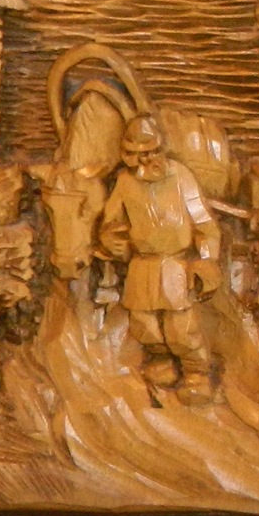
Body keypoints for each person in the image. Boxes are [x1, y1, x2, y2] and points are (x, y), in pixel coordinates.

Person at [96, 112, 224, 406]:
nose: (145, 161)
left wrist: (206, 259)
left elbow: (204, 223)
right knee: (144, 324)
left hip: (175, 264)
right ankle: (162, 359)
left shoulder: (180, 176)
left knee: (181, 328)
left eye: (150, 152)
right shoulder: (125, 182)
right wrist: (111, 239)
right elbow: (111, 221)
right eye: (136, 154)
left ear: (160, 149)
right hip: (142, 264)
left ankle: (196, 374)